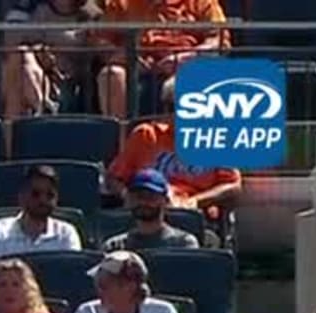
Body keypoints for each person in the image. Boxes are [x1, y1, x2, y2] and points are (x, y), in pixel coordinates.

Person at [94, 0, 224, 118]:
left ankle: (174, 139)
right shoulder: (122, 3)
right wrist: (126, 55)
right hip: (138, 64)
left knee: (178, 84)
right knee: (111, 75)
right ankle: (122, 139)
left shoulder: (202, 2)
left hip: (184, 65)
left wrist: (188, 57)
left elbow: (219, 40)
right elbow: (100, 40)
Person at [106, 118, 240, 220]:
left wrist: (193, 202)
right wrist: (128, 196)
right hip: (144, 208)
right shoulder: (146, 135)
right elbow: (113, 178)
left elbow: (233, 186)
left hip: (190, 214)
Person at [0, 0, 96, 119]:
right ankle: (42, 107)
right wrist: (39, 51)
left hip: (64, 81)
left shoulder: (90, 14)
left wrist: (42, 45)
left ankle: (10, 133)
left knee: (20, 79)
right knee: (21, 58)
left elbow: (90, 51)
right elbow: (11, 40)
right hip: (18, 70)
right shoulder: (28, 6)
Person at [0, 163, 82, 261]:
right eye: (35, 194)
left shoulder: (67, 234)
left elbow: (73, 275)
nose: (43, 200)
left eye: (50, 195)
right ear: (21, 197)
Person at [103, 169, 199, 253]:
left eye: (151, 197)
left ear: (165, 201)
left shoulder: (183, 244)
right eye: (138, 196)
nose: (144, 202)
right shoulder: (115, 246)